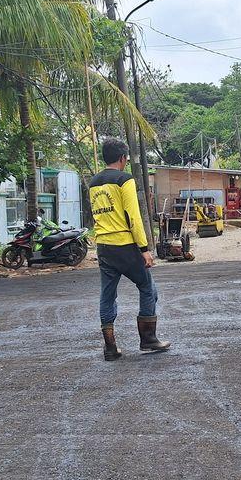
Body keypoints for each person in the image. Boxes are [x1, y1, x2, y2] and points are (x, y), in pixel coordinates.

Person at [89, 138, 169, 361]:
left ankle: (110, 347)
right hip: (124, 245)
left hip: (103, 246)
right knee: (147, 287)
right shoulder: (125, 180)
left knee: (107, 295)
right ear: (123, 158)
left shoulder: (94, 183)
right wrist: (144, 248)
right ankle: (148, 338)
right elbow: (133, 217)